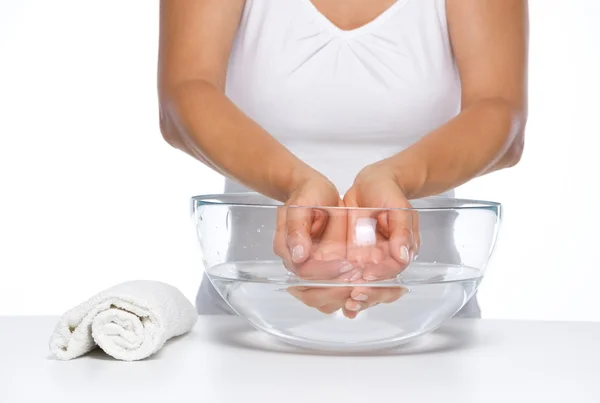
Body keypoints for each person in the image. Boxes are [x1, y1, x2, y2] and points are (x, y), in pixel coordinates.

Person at [157, 0, 528, 318]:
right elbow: (183, 97)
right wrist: (295, 183)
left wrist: (396, 181)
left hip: (431, 325)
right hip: (244, 323)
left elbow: (501, 113)